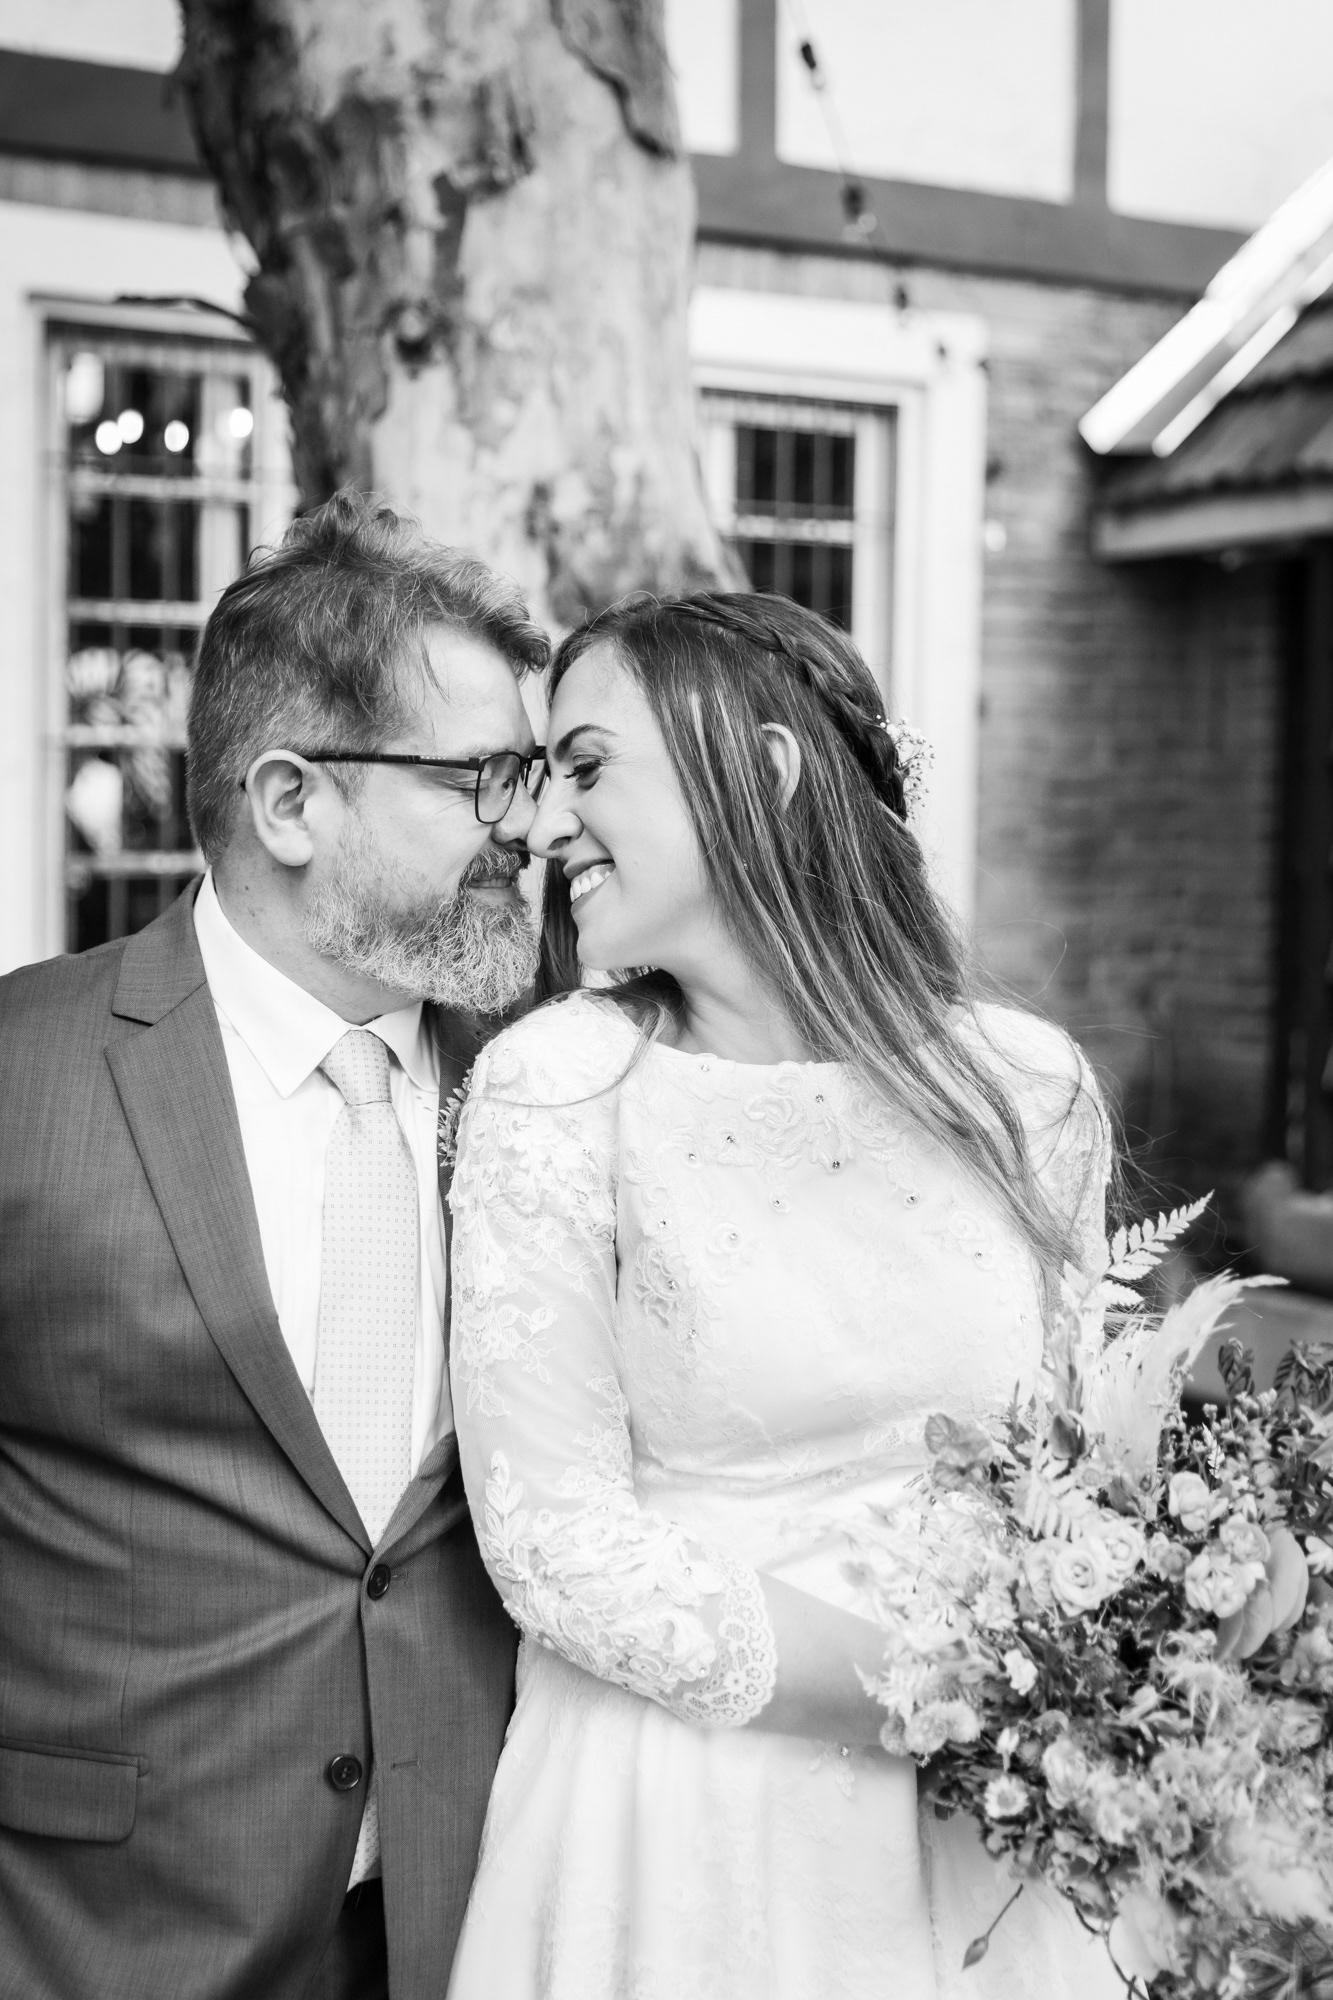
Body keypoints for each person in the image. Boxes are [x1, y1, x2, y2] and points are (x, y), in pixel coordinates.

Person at [444, 592, 1124, 2000]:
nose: (542, 824)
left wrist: (1109, 1653)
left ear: (759, 769)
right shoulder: (558, 1090)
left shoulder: (1029, 1090)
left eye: (585, 767)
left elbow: (1083, 1469)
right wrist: (945, 1690)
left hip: (998, 1833)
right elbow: (554, 1544)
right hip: (688, 1818)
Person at [0, 491, 546, 2000]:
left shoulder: (558, 1085)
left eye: (529, 777)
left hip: (469, 1922)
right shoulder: (22, 1077)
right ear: (291, 801)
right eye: (480, 780)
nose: (527, 827)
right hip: (96, 1934)